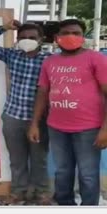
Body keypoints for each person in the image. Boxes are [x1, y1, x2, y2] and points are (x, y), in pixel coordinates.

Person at [28, 19, 107, 206]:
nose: (71, 36)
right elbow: (42, 92)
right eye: (66, 33)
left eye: (76, 33)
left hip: (89, 128)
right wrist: (34, 124)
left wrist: (105, 128)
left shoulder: (95, 59)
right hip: (57, 127)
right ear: (57, 38)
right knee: (62, 171)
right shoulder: (50, 61)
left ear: (83, 37)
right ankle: (65, 205)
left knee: (88, 174)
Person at [0, 20, 51, 205]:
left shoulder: (50, 60)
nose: (27, 40)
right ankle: (18, 192)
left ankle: (42, 193)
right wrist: (4, 28)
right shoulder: (12, 55)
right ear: (17, 40)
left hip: (39, 120)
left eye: (32, 38)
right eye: (23, 37)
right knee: (17, 159)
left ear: (41, 40)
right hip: (13, 116)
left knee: (39, 159)